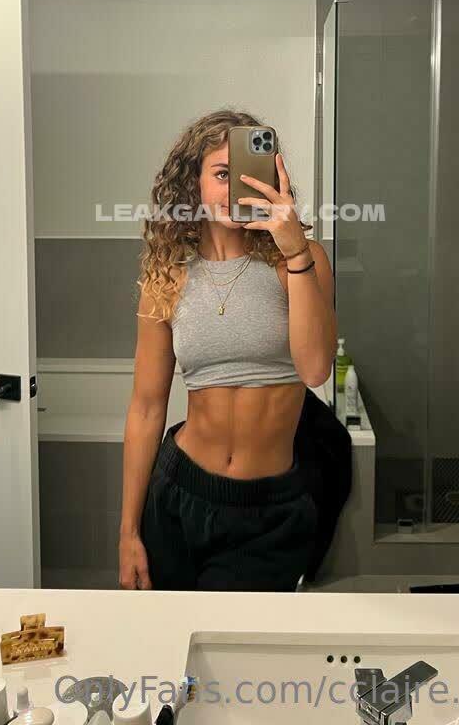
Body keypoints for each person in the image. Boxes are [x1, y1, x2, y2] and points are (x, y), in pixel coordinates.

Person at [118, 109, 337, 591]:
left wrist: (295, 249)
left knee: (236, 640)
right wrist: (128, 531)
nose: (236, 188)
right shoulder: (168, 275)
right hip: (179, 492)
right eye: (221, 174)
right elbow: (147, 407)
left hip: (269, 510)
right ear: (192, 184)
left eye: (248, 175)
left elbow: (316, 369)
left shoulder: (301, 260)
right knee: (173, 635)